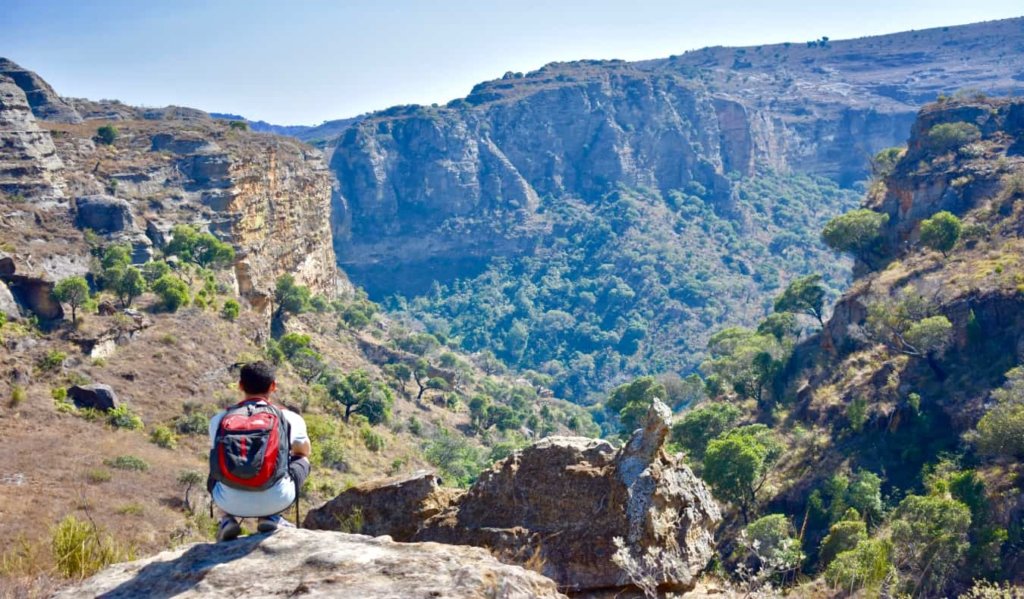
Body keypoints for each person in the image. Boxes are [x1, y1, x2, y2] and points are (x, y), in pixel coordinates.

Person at [208, 361, 311, 542]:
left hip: (228, 502)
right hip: (278, 499)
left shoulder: (220, 419)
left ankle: (225, 520)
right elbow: (303, 451)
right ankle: (270, 517)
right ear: (273, 386)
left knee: (216, 465)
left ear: (240, 386)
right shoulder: (289, 418)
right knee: (302, 459)